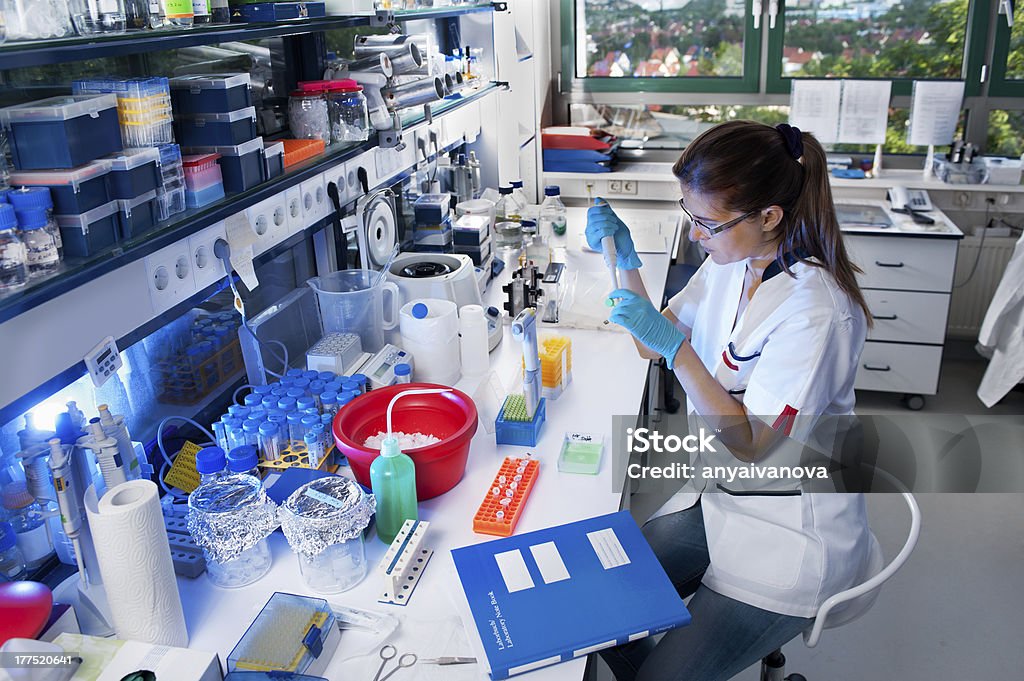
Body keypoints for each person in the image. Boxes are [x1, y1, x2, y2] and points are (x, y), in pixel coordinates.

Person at [588, 121, 875, 681]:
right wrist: (621, 257)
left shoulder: (816, 311)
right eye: (689, 215)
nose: (696, 235)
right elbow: (653, 344)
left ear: (770, 215)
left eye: (708, 223)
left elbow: (749, 442)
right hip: (720, 496)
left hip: (789, 528)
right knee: (598, 606)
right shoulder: (732, 261)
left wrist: (681, 352)